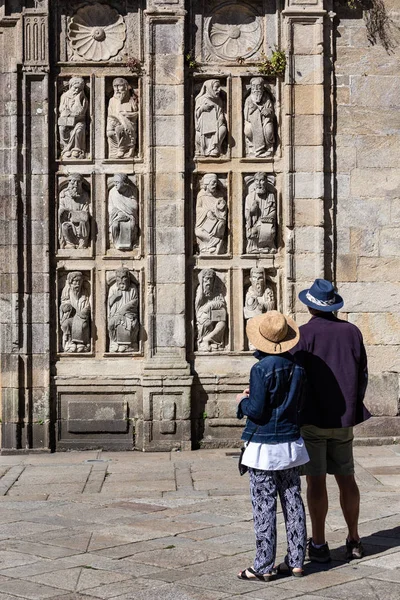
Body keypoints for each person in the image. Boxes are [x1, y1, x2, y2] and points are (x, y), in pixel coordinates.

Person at [292, 278, 370, 562]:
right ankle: (354, 539)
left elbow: (296, 379)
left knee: (316, 483)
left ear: (310, 305)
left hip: (312, 419)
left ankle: (320, 544)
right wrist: (352, 403)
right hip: (343, 420)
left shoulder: (302, 335)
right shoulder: (352, 332)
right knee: (347, 479)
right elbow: (362, 373)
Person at [236, 310, 309, 582]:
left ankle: (263, 565)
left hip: (265, 447)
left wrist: (242, 402)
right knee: (293, 501)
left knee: (264, 505)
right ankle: (296, 560)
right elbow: (298, 404)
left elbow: (256, 410)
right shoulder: (299, 367)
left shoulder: (260, 368)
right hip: (290, 444)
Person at [108, 268, 139, 352]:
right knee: (111, 324)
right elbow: (108, 303)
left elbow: (135, 301)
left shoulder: (132, 288)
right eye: (119, 277)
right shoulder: (113, 288)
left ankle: (129, 345)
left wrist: (125, 308)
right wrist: (115, 296)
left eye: (124, 277)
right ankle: (114, 342)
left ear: (128, 278)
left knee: (130, 324)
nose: (121, 280)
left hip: (129, 313)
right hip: (116, 314)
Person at [195, 174, 227, 255]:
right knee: (198, 232)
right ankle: (214, 243)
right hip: (204, 222)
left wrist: (221, 207)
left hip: (216, 222)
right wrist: (207, 212)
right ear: (207, 184)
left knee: (221, 226)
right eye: (213, 183)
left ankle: (210, 246)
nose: (215, 185)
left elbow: (222, 209)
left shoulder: (220, 195)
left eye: (216, 183)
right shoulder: (201, 195)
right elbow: (198, 208)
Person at [195, 269, 227, 352]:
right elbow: (198, 306)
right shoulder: (200, 291)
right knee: (206, 321)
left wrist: (211, 305)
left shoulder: (217, 291)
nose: (208, 282)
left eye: (211, 279)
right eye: (207, 279)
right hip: (203, 314)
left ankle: (208, 339)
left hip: (213, 314)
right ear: (203, 279)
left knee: (222, 323)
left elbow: (221, 303)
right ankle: (202, 341)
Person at [245, 172, 276, 254]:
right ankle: (254, 248)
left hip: (267, 221)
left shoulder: (271, 196)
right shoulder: (249, 197)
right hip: (254, 223)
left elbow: (273, 210)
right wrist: (252, 210)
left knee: (271, 231)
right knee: (254, 231)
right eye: (257, 181)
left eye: (261, 180)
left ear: (266, 181)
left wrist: (267, 218)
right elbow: (247, 214)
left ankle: (268, 246)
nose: (259, 183)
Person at [107, 78, 138, 159]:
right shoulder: (112, 100)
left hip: (129, 124)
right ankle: (116, 150)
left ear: (126, 87)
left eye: (119, 86)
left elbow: (136, 113)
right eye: (115, 86)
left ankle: (123, 148)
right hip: (114, 122)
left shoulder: (131, 100)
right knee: (110, 133)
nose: (117, 89)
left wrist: (127, 115)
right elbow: (111, 114)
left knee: (119, 129)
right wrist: (119, 118)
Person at [244, 77, 275, 157]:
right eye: (254, 86)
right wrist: (252, 110)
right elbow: (246, 114)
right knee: (248, 130)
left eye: (259, 86)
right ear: (251, 87)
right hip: (252, 121)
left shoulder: (266, 98)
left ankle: (268, 149)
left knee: (269, 131)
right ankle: (253, 149)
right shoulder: (249, 99)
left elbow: (270, 110)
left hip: (265, 121)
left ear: (262, 87)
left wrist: (267, 111)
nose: (256, 89)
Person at [195, 79, 227, 157]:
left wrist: (221, 117)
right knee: (200, 134)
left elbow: (220, 112)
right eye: (216, 87)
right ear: (210, 88)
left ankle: (215, 148)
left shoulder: (219, 100)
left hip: (216, 124)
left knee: (223, 129)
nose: (219, 90)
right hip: (204, 126)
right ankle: (206, 149)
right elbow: (196, 115)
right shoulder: (200, 99)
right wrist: (202, 108)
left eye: (219, 87)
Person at [58, 77, 88, 159]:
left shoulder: (83, 98)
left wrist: (78, 99)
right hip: (67, 120)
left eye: (79, 88)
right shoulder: (64, 96)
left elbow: (82, 111)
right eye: (75, 88)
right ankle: (66, 148)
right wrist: (66, 112)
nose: (76, 90)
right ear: (70, 86)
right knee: (62, 129)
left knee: (78, 130)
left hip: (79, 121)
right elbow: (61, 109)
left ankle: (77, 149)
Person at [58, 174, 90, 249]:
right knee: (65, 226)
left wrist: (74, 215)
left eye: (78, 182)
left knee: (84, 223)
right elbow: (61, 210)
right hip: (68, 221)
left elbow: (85, 213)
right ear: (69, 183)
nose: (75, 185)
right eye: (73, 182)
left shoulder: (84, 195)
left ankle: (82, 242)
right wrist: (63, 212)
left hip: (81, 223)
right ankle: (69, 243)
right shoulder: (63, 195)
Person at [108, 174, 139, 250]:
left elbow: (134, 206)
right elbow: (110, 207)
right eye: (114, 182)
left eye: (117, 182)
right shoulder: (112, 192)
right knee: (115, 225)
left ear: (124, 183)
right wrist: (118, 213)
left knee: (132, 225)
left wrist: (126, 213)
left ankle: (131, 242)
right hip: (117, 216)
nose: (115, 184)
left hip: (129, 216)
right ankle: (116, 243)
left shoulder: (131, 191)